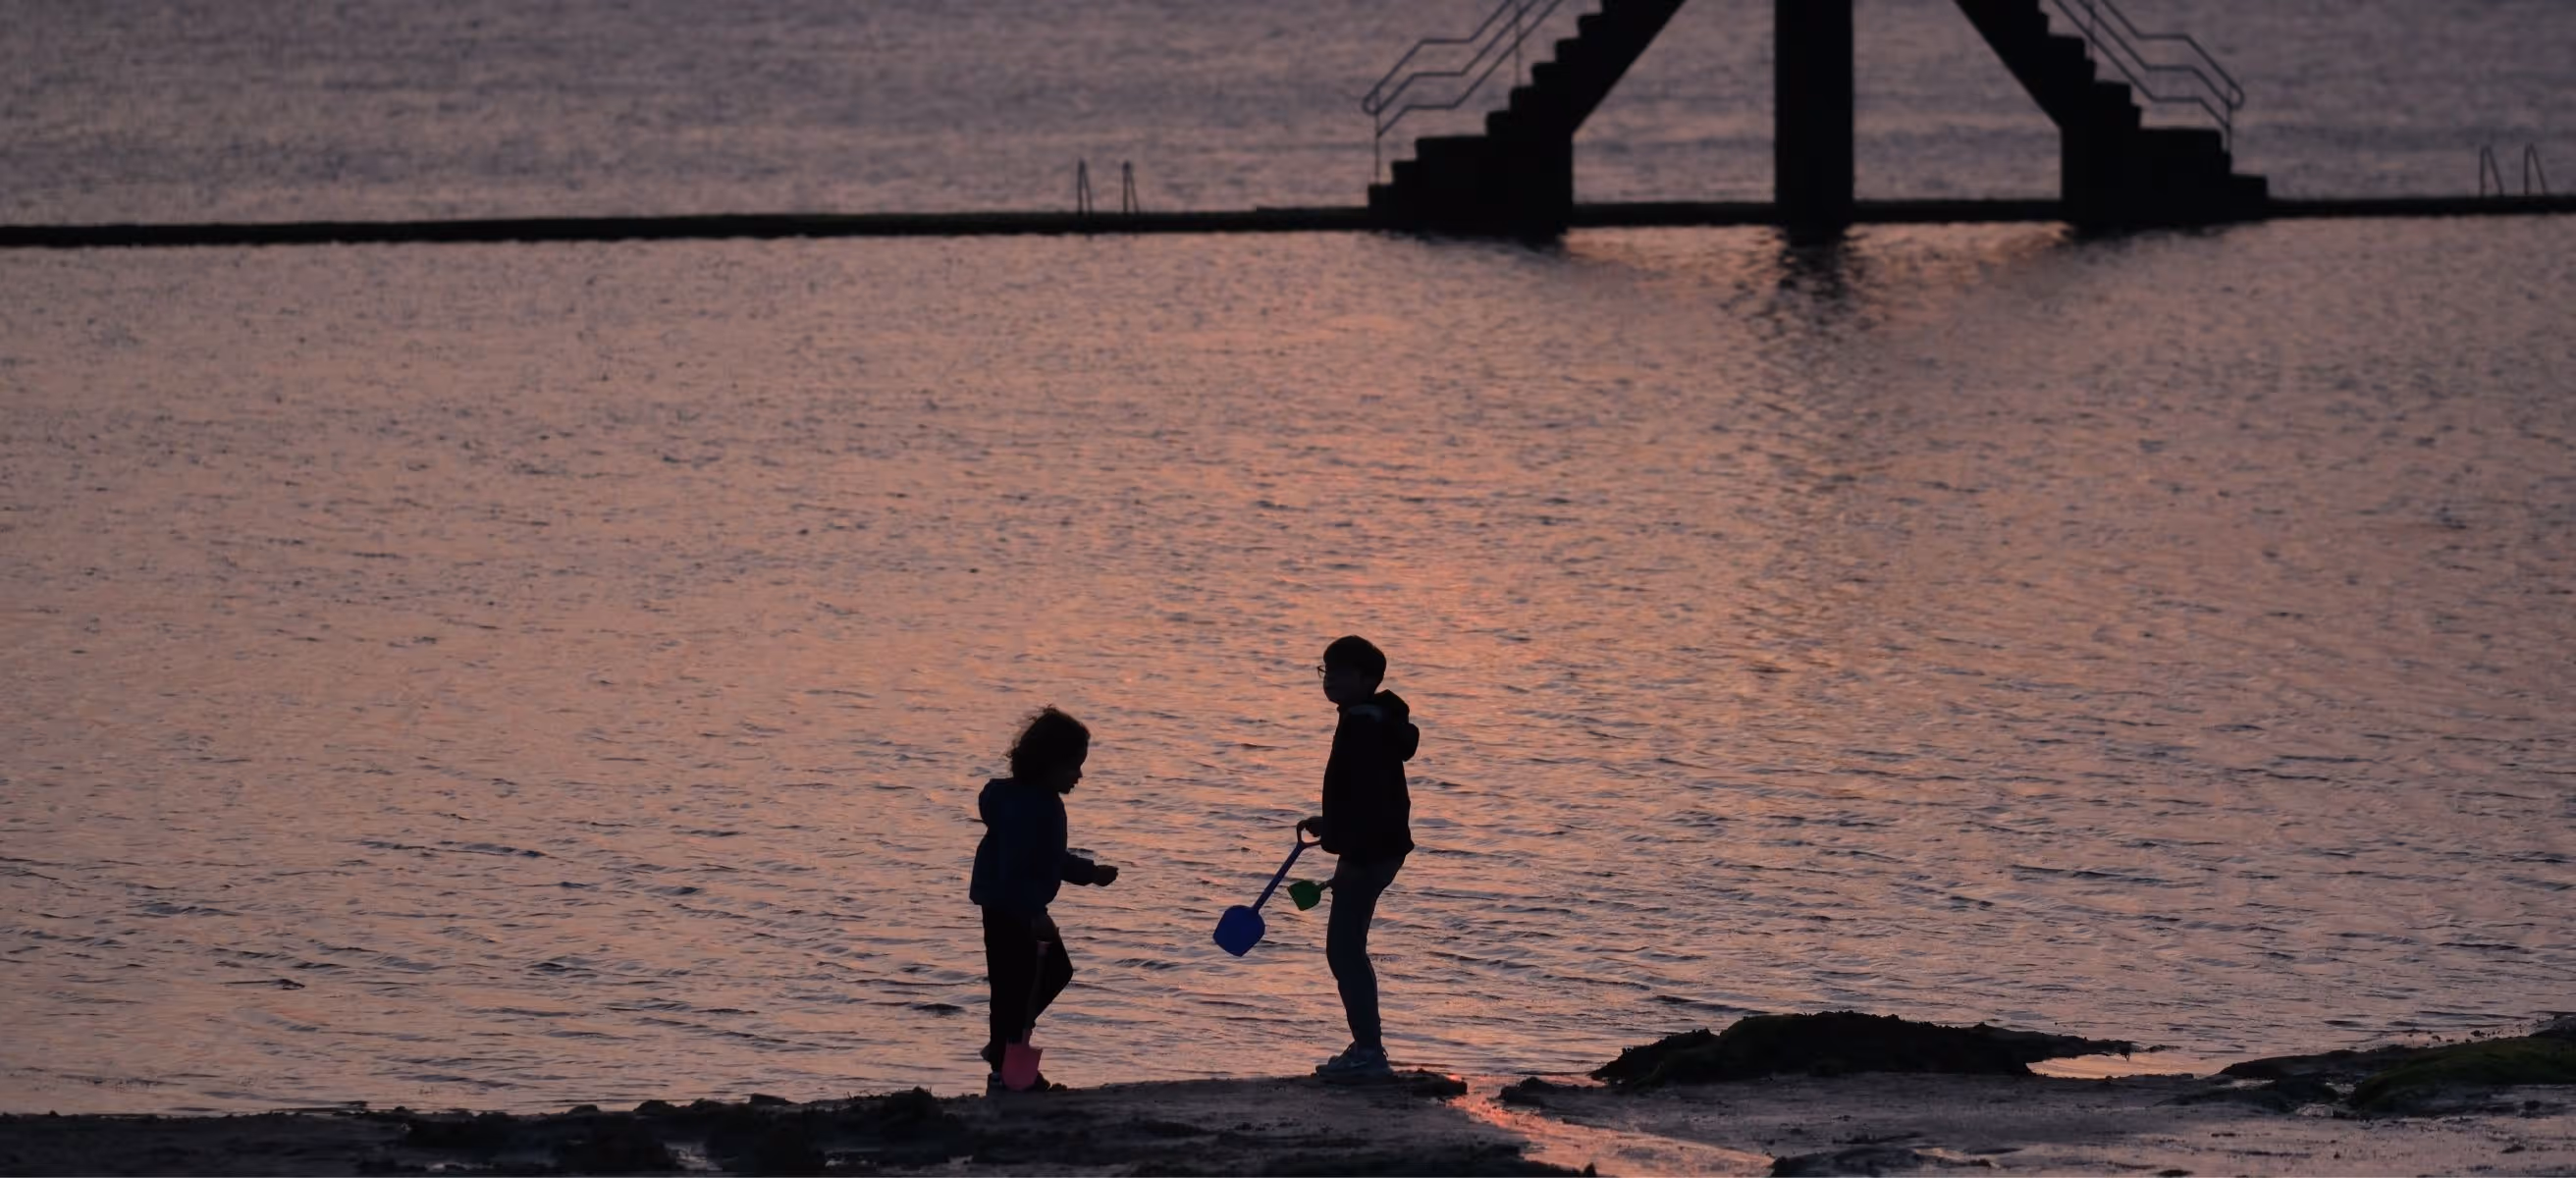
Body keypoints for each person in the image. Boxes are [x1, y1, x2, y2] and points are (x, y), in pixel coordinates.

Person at [969, 707, 1118, 1092]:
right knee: (1025, 983)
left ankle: (1007, 1052)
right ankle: (1007, 1062)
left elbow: (1047, 859)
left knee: (1023, 985)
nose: (1080, 775)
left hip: (1008, 905)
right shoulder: (1031, 807)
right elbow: (1016, 864)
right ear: (1047, 764)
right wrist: (1032, 913)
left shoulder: (1032, 801)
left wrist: (1090, 874)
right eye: (1073, 767)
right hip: (1011, 909)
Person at [1299, 635, 1420, 1083]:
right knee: (1347, 949)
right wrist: (1331, 821)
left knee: (1345, 950)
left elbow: (1371, 794)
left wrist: (1339, 829)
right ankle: (1366, 1046)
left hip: (1370, 847)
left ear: (1368, 680)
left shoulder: (1364, 724)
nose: (1330, 680)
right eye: (1326, 670)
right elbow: (1367, 789)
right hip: (1374, 843)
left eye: (1341, 672)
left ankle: (1369, 1051)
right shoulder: (1371, 717)